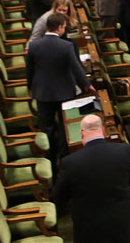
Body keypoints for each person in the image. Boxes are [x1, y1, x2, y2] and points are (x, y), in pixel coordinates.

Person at [51, 114, 130, 243]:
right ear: (103, 130)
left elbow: (58, 196)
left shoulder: (69, 163)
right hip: (123, 224)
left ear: (81, 134)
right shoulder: (123, 151)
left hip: (90, 230)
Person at [26, 12, 95, 166]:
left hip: (42, 92)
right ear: (59, 28)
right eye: (64, 26)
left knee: (47, 127)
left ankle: (49, 158)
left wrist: (30, 86)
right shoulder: (66, 46)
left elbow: (29, 70)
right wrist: (87, 85)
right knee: (65, 126)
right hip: (64, 91)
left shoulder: (34, 45)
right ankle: (64, 156)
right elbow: (76, 68)